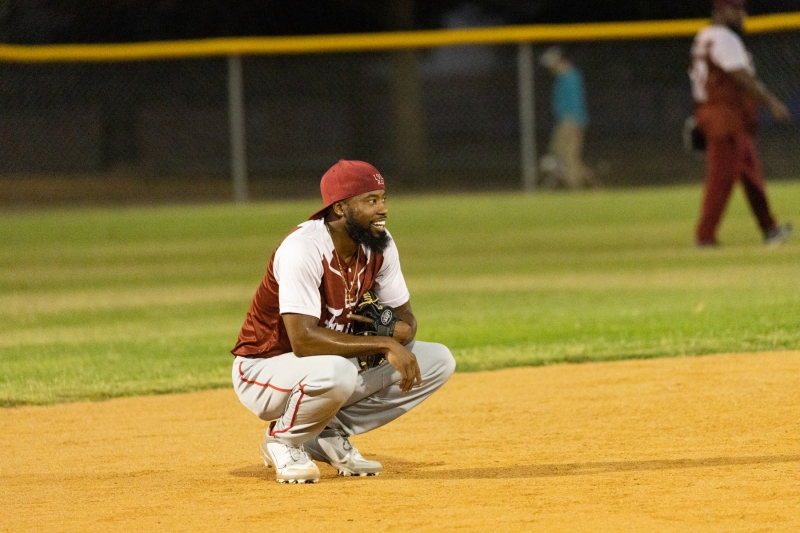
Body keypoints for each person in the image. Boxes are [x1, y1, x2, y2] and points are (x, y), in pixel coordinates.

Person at [231, 159, 456, 484]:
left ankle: (325, 432)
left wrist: (396, 329)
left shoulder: (380, 244)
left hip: (325, 365)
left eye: (383, 198)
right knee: (337, 372)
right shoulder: (302, 249)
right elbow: (303, 341)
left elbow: (406, 319)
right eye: (371, 200)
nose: (383, 210)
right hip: (264, 366)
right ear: (339, 208)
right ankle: (282, 439)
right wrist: (383, 341)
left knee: (436, 361)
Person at [689, 0, 793, 247]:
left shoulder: (704, 35)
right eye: (736, 10)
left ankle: (769, 228)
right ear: (722, 11)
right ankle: (705, 236)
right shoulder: (725, 38)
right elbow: (741, 77)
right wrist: (772, 102)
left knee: (751, 176)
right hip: (725, 118)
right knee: (721, 179)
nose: (742, 15)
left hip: (717, 113)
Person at [539, 46, 598, 190]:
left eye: (551, 64)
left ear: (558, 61)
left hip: (571, 121)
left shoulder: (571, 77)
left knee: (569, 156)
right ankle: (594, 185)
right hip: (564, 121)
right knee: (560, 155)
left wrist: (575, 123)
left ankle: (575, 188)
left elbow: (575, 103)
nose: (550, 68)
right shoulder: (563, 77)